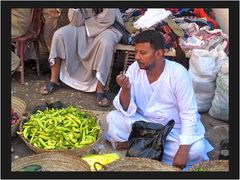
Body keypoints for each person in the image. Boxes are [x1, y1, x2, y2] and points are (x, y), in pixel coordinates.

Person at [105, 30, 213, 170]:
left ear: (159, 53)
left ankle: (138, 144)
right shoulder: (134, 69)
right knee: (113, 118)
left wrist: (183, 150)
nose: (137, 57)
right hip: (144, 123)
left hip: (172, 128)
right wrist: (125, 89)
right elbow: (125, 108)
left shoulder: (178, 74)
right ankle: (145, 145)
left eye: (143, 53)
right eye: (136, 52)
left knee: (196, 150)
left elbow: (189, 113)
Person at [40, 8, 123, 107]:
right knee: (59, 34)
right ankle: (54, 80)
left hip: (107, 27)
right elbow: (75, 22)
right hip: (83, 25)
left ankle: (100, 90)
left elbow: (108, 18)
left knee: (106, 43)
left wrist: (87, 24)